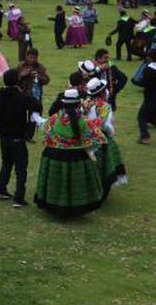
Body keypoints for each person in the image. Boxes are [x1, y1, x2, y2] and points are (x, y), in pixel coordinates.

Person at [34, 89, 105, 217]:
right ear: (78, 103)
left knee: (56, 181)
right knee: (76, 183)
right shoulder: (84, 121)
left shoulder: (54, 119)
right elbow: (96, 138)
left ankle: (53, 206)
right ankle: (76, 208)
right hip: (77, 156)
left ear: (64, 104)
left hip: (54, 154)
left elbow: (46, 131)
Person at [0, 69, 43, 207]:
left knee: (6, 162)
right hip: (18, 137)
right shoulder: (21, 97)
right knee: (21, 167)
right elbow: (37, 104)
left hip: (3, 137)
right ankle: (19, 197)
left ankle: (0, 188)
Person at [84, 78, 127, 199]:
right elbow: (106, 125)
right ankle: (100, 194)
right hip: (101, 140)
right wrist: (111, 131)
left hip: (84, 139)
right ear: (102, 92)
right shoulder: (105, 106)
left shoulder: (84, 104)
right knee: (104, 167)